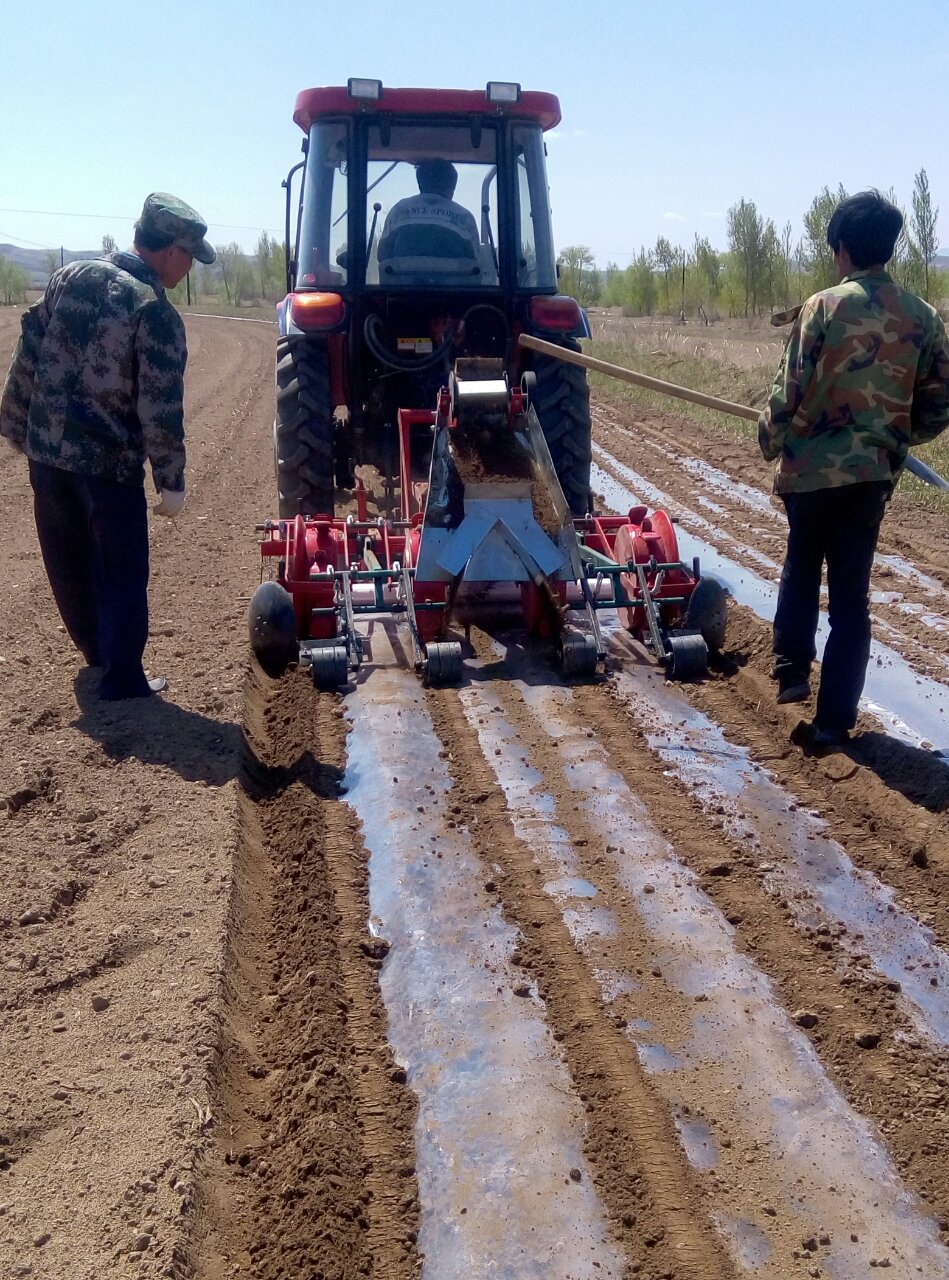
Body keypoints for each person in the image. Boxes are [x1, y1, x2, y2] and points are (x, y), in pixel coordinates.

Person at [0, 192, 215, 699]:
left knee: (66, 561)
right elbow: (160, 407)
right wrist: (171, 481)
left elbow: (27, 350)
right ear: (171, 252)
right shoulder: (154, 312)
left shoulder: (69, 277)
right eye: (189, 258)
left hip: (46, 455)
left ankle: (98, 654)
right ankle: (122, 677)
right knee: (121, 571)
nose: (188, 270)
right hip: (106, 466)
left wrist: (13, 422)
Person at [759, 189, 949, 747]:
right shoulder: (923, 316)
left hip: (812, 474)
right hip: (871, 476)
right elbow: (940, 403)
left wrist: (770, 438)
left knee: (800, 564)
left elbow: (788, 388)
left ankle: (792, 670)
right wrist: (894, 438)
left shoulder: (823, 306)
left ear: (842, 248)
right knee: (851, 597)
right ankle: (835, 720)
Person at [377, 158, 481, 267]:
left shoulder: (399, 210)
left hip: (403, 283)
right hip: (452, 283)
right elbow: (474, 261)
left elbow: (382, 255)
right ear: (451, 187)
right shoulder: (464, 217)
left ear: (420, 183)